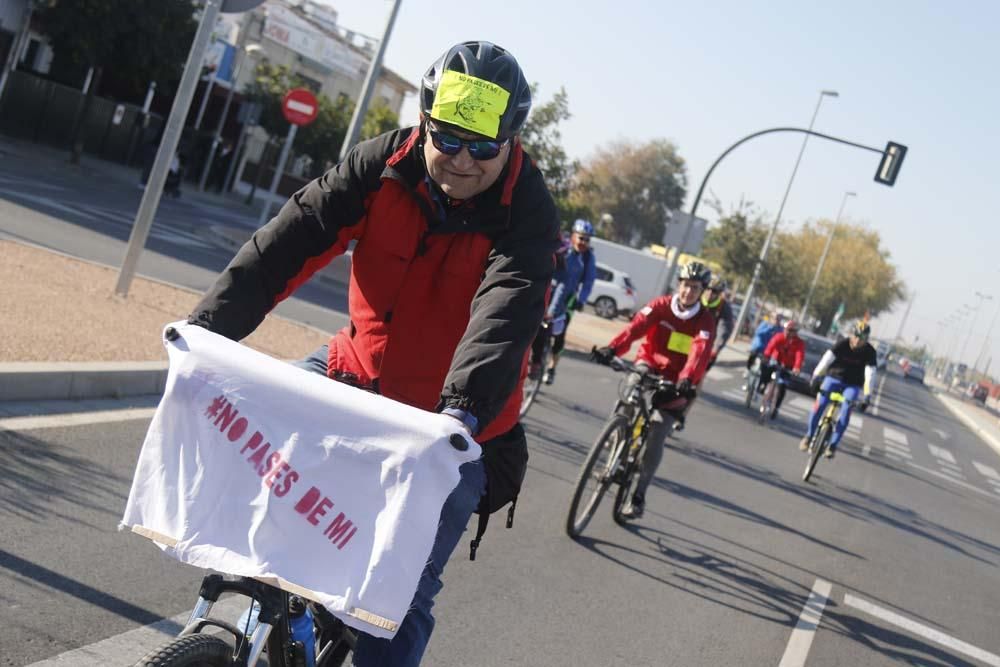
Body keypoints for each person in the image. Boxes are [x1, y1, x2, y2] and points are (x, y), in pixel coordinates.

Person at [186, 40, 556, 666]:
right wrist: (205, 330)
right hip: (354, 375)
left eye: (485, 147)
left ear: (511, 139)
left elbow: (506, 310)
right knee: (254, 474)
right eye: (449, 139)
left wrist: (460, 412)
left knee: (395, 599)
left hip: (454, 427)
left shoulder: (528, 208)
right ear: (425, 122)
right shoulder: (382, 164)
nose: (464, 160)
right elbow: (293, 238)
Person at [591, 261, 716, 519]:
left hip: (676, 380)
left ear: (701, 291)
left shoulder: (704, 321)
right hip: (649, 362)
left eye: (694, 288)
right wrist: (613, 349)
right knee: (632, 387)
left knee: (657, 433)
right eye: (685, 285)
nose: (688, 292)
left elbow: (699, 352)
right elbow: (635, 328)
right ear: (678, 285)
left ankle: (638, 496)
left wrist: (686, 379)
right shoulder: (660, 305)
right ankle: (615, 439)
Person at [530, 218, 597, 384]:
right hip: (549, 291)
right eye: (581, 238)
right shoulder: (561, 248)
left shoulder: (588, 258)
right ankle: (533, 360)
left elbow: (588, 283)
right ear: (573, 236)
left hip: (569, 300)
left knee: (559, 335)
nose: (583, 242)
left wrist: (581, 300)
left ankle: (552, 367)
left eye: (587, 240)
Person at [799, 320, 877, 458]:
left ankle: (833, 445)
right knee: (820, 404)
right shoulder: (842, 343)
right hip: (834, 378)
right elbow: (826, 360)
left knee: (846, 410)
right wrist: (816, 377)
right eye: (856, 336)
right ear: (852, 334)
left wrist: (867, 396)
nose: (858, 340)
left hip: (852, 385)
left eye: (862, 338)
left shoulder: (870, 352)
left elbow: (870, 374)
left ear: (867, 339)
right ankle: (808, 436)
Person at [758, 319, 805, 418]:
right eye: (787, 329)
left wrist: (796, 367)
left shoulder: (799, 343)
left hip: (787, 366)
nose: (788, 332)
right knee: (765, 370)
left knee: (782, 386)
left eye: (791, 331)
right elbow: (771, 346)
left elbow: (799, 355)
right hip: (775, 361)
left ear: (795, 332)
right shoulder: (779, 337)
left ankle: (776, 407)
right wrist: (766, 356)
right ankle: (763, 384)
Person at [701, 275, 734, 370]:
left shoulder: (724, 307)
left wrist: (716, 349)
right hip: (689, 340)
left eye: (714, 291)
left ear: (719, 293)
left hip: (708, 346)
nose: (710, 293)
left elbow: (724, 330)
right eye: (708, 289)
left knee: (699, 376)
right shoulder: (696, 298)